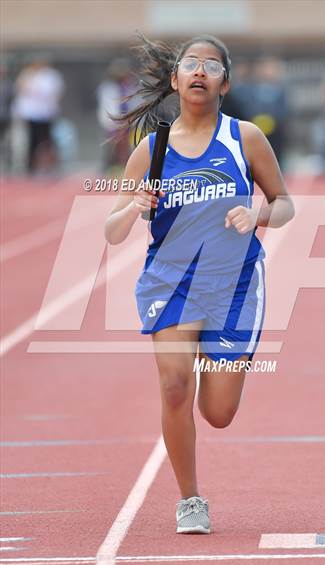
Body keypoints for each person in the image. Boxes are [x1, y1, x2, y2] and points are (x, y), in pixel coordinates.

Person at [104, 34, 295, 534]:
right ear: (175, 80)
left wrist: (258, 213)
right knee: (173, 388)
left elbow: (284, 203)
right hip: (170, 282)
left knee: (219, 412)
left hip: (233, 286)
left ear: (224, 83)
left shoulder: (245, 138)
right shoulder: (153, 149)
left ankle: (222, 370)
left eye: (211, 66)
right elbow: (112, 228)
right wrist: (131, 207)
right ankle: (190, 499)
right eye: (191, 63)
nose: (199, 71)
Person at [12, 56, 65, 174]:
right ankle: (31, 165)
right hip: (31, 114)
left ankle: (49, 165)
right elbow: (21, 89)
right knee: (32, 140)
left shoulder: (51, 76)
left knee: (47, 140)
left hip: (47, 113)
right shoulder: (27, 75)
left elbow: (56, 94)